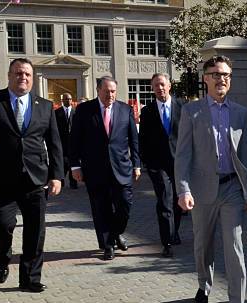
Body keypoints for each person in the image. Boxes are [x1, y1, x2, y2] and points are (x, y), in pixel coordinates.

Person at [0, 58, 64, 293]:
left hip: (35, 178)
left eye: (27, 74)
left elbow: (55, 144)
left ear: (32, 77)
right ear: (9, 76)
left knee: (36, 231)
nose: (23, 78)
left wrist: (57, 175)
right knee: (0, 226)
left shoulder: (45, 106)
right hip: (1, 179)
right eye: (18, 73)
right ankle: (2, 257)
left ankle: (30, 278)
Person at [175, 55, 247, 303]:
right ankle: (204, 285)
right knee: (202, 245)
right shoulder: (191, 111)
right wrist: (183, 189)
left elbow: (245, 157)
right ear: (205, 78)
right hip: (201, 192)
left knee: (235, 247)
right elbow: (183, 154)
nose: (222, 79)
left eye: (226, 75)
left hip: (232, 188)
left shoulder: (241, 113)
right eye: (216, 74)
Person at [70, 76, 141, 261]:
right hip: (95, 170)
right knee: (101, 209)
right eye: (107, 90)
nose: (110, 94)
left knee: (125, 205)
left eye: (113, 91)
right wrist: (75, 166)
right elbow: (75, 140)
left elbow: (133, 140)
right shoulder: (85, 110)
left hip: (122, 168)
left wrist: (137, 164)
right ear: (98, 90)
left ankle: (116, 233)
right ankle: (108, 245)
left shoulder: (125, 110)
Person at [139, 73, 184, 258]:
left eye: (163, 85)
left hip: (180, 163)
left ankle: (174, 232)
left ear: (169, 85)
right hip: (158, 165)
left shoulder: (182, 107)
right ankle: (166, 242)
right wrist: (147, 163)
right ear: (152, 88)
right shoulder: (148, 111)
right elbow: (143, 139)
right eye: (156, 86)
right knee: (165, 201)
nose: (160, 88)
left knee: (178, 201)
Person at [55, 93, 77, 189]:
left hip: (73, 142)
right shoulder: (56, 113)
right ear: (62, 100)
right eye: (66, 99)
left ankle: (73, 183)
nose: (68, 101)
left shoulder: (76, 112)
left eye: (70, 99)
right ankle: (62, 182)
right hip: (61, 142)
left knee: (73, 162)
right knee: (62, 163)